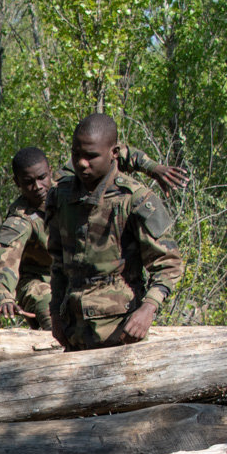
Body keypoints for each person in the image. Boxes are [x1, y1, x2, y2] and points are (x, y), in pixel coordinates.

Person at [0, 145, 188, 332]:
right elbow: (3, 260)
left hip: (74, 274)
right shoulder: (21, 219)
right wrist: (4, 297)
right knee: (55, 316)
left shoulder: (67, 182)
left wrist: (154, 169)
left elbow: (115, 152)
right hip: (40, 279)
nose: (38, 186)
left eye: (42, 177)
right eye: (28, 183)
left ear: (50, 170)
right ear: (17, 183)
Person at [47, 113, 184, 350]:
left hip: (120, 331)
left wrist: (148, 308)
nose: (81, 163)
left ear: (114, 153)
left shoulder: (135, 200)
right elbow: (58, 263)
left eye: (91, 156)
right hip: (74, 330)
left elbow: (169, 263)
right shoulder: (61, 196)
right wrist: (55, 315)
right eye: (76, 154)